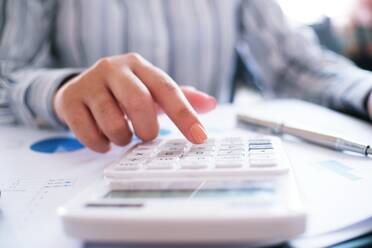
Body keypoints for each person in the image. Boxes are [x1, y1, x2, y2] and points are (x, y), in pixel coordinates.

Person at [1, 0, 372, 153]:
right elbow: (7, 77)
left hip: (212, 168)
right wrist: (61, 92)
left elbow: (295, 65)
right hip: (81, 167)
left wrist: (367, 91)